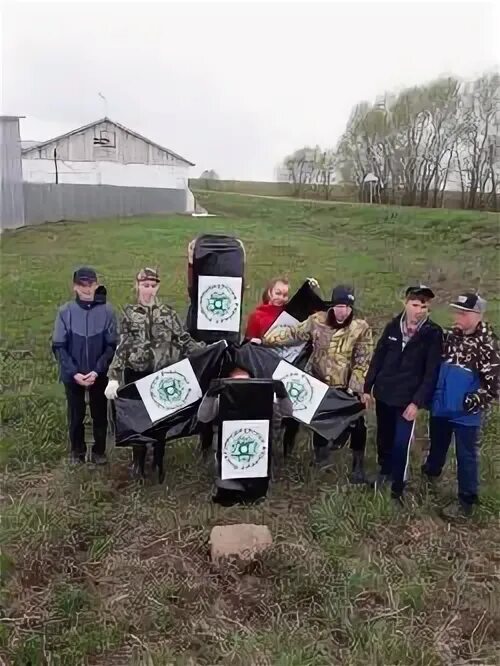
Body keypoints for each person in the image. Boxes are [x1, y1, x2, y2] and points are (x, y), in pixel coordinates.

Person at [259, 284, 373, 483]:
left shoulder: (360, 328)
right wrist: (265, 340)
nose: (343, 311)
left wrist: (355, 387)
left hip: (345, 386)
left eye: (347, 307)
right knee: (320, 423)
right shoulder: (317, 321)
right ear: (332, 306)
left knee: (358, 424)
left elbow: (362, 359)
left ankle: (358, 466)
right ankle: (321, 459)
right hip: (319, 383)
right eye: (339, 306)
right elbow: (293, 334)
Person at [105, 267, 205, 482]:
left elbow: (183, 340)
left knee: (161, 422)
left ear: (157, 286)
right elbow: (122, 347)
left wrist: (207, 351)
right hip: (136, 375)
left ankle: (158, 463)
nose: (149, 290)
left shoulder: (168, 313)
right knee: (138, 420)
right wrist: (114, 376)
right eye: (145, 285)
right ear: (137, 285)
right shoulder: (129, 314)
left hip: (161, 375)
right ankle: (138, 463)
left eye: (152, 286)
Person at [422, 293, 499, 516]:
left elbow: (493, 387)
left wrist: (470, 401)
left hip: (466, 415)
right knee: (437, 443)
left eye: (463, 313)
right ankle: (431, 472)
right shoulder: (450, 337)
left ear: (477, 315)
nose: (457, 316)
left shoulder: (488, 345)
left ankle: (467, 500)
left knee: (466, 455)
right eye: (456, 311)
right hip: (441, 407)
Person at [362, 285, 443, 501]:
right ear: (405, 304)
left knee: (401, 443)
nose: (419, 310)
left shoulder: (433, 334)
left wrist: (417, 402)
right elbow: (378, 357)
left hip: (407, 399)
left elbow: (431, 372)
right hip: (385, 392)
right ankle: (384, 472)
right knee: (384, 438)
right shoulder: (392, 327)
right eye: (415, 305)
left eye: (423, 306)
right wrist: (367, 387)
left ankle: (397, 487)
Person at [197, 365, 293, 505]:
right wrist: (210, 395)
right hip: (228, 469)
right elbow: (203, 417)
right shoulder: (221, 401)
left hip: (257, 466)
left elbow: (288, 413)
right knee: (227, 499)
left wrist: (282, 394)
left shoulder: (264, 401)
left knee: (255, 499)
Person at [52, 267, 117, 465]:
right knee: (76, 414)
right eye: (82, 285)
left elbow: (111, 346)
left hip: (99, 374)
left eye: (91, 285)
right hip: (73, 375)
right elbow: (59, 346)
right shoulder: (65, 312)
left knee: (99, 414)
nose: (87, 290)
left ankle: (99, 451)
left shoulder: (107, 312)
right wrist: (74, 373)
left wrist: (98, 370)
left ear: (96, 285)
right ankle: (77, 452)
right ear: (74, 287)